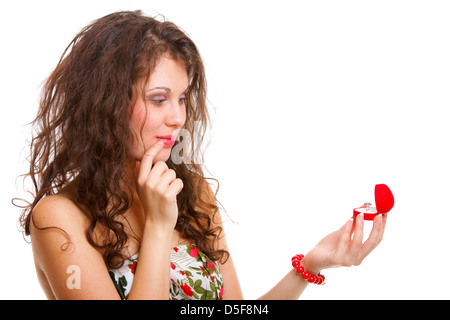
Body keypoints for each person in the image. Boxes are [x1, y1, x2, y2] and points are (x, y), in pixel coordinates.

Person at [16, 10, 387, 300]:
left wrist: (309, 264)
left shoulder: (192, 194)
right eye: (158, 99)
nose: (177, 118)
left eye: (181, 98)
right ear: (106, 104)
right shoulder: (59, 218)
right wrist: (160, 228)